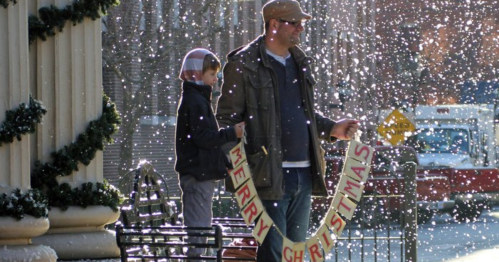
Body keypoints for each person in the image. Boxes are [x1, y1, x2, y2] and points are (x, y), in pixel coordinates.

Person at [215, 1, 360, 261]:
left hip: (304, 174)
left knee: (295, 253)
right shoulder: (243, 64)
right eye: (295, 23)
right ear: (274, 24)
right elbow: (227, 120)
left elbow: (304, 113)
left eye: (302, 24)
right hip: (266, 176)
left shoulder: (299, 61)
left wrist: (332, 129)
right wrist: (236, 167)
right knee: (273, 253)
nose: (300, 29)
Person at [175, 48, 244, 260]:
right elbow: (204, 138)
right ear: (197, 74)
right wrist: (232, 133)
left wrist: (221, 162)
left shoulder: (197, 99)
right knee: (198, 229)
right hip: (197, 176)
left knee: (202, 226)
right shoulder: (194, 101)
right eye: (212, 74)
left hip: (200, 174)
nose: (216, 79)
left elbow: (204, 141)